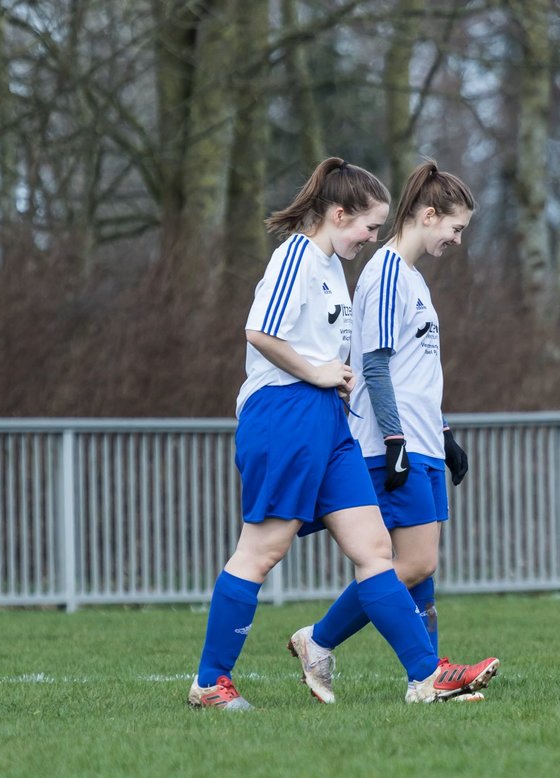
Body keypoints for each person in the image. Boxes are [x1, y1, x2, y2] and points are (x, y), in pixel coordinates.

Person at [188, 157, 498, 710]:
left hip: (328, 420)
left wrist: (337, 380)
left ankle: (426, 676)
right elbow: (258, 332)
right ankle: (211, 682)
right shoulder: (296, 257)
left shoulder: (333, 270)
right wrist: (319, 372)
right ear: (336, 214)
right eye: (369, 227)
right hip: (284, 413)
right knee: (263, 551)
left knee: (377, 549)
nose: (373, 238)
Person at [287, 160, 490, 705]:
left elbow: (416, 371)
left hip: (421, 440)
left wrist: (443, 434)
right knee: (414, 563)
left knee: (420, 571)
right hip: (388, 444)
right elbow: (374, 367)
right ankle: (322, 640)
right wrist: (398, 441)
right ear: (428, 215)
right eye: (455, 227)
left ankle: (427, 679)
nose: (457, 239)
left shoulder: (415, 280)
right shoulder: (384, 272)